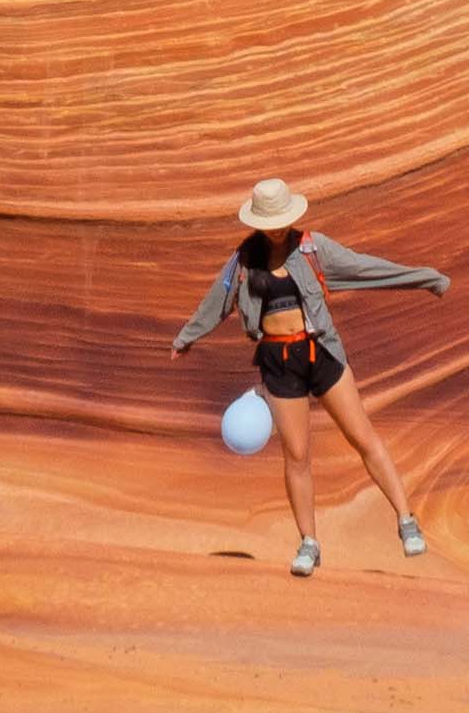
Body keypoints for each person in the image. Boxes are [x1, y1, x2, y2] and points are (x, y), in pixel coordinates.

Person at [170, 177, 452, 577]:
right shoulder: (245, 258)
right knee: (298, 456)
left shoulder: (313, 248)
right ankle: (309, 543)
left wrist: (425, 278)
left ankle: (406, 522)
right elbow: (219, 299)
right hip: (278, 361)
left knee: (363, 437)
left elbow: (364, 268)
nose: (277, 228)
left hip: (321, 353)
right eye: (270, 222)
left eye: (281, 220)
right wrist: (187, 337)